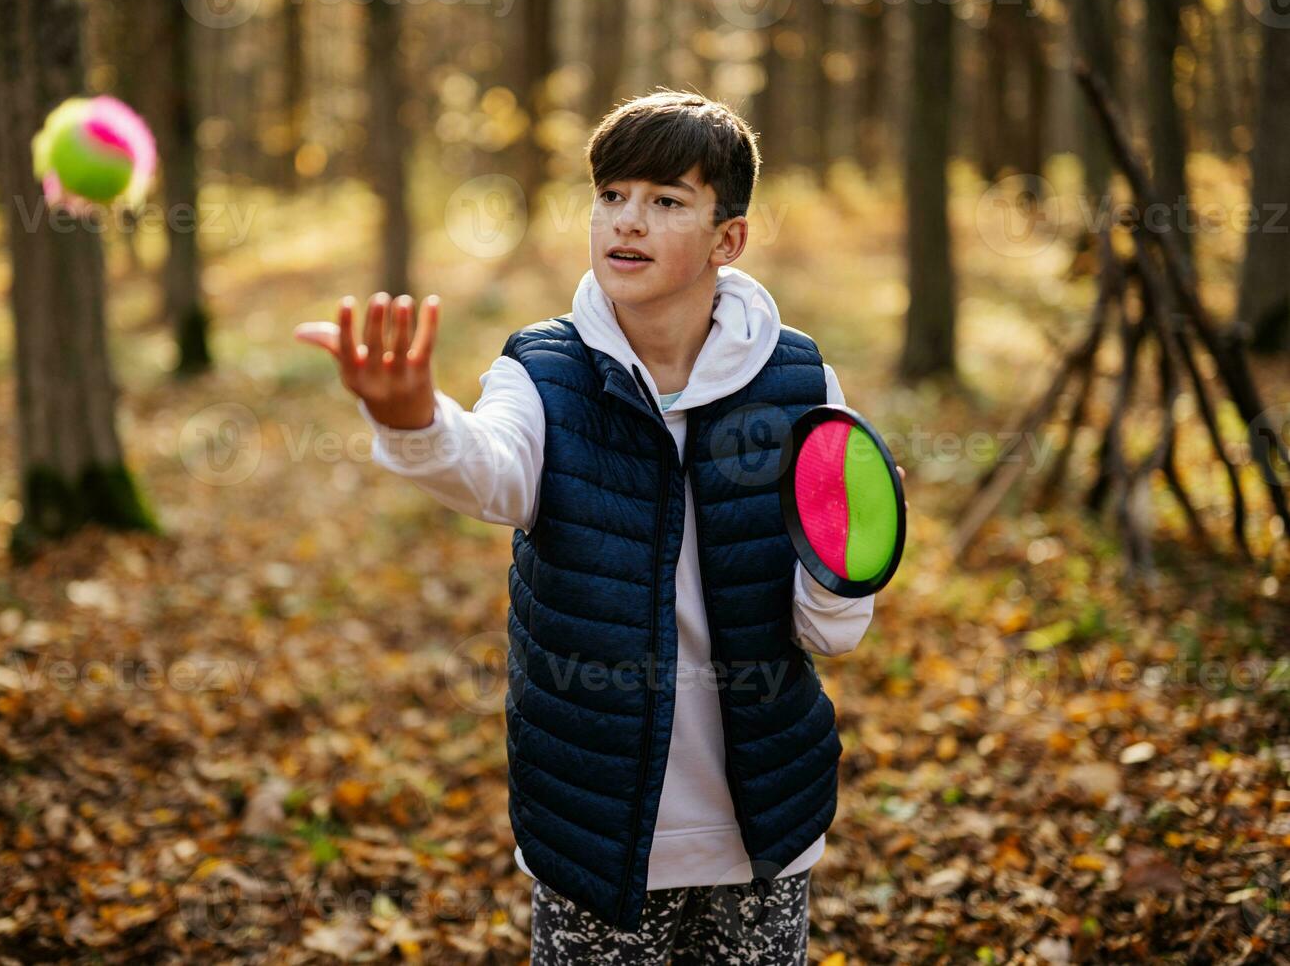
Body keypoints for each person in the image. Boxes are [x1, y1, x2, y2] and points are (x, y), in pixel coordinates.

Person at [296, 88, 896, 964]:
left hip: (764, 826)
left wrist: (851, 561)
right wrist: (414, 420)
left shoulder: (799, 383)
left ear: (728, 238)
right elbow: (492, 469)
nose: (629, 222)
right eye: (612, 196)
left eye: (666, 201)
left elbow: (830, 630)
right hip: (595, 825)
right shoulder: (544, 373)